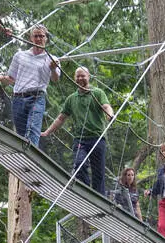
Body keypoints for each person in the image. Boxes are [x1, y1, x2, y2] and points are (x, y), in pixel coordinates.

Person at [41, 66, 114, 195]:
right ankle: (86, 192)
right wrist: (47, 132)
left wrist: (110, 115)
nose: (80, 78)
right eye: (78, 76)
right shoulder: (71, 98)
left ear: (88, 76)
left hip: (97, 138)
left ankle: (99, 198)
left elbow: (106, 106)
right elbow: (61, 118)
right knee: (79, 165)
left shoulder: (97, 93)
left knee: (98, 173)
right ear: (74, 78)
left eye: (83, 76)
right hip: (80, 139)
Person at [0, 25, 60, 146]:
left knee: (32, 129)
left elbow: (55, 79)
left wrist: (53, 69)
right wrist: (0, 79)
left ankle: (31, 158)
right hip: (18, 98)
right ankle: (23, 159)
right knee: (21, 133)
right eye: (36, 36)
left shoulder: (52, 59)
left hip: (37, 98)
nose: (39, 39)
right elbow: (10, 79)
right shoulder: (20, 56)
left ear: (46, 38)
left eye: (41, 36)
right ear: (31, 38)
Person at [111, 166, 143, 243]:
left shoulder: (134, 190)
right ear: (125, 176)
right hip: (125, 218)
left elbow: (137, 206)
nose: (130, 177)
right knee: (124, 241)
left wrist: (141, 221)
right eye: (128, 175)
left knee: (133, 241)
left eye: (132, 175)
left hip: (134, 218)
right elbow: (116, 203)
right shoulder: (120, 188)